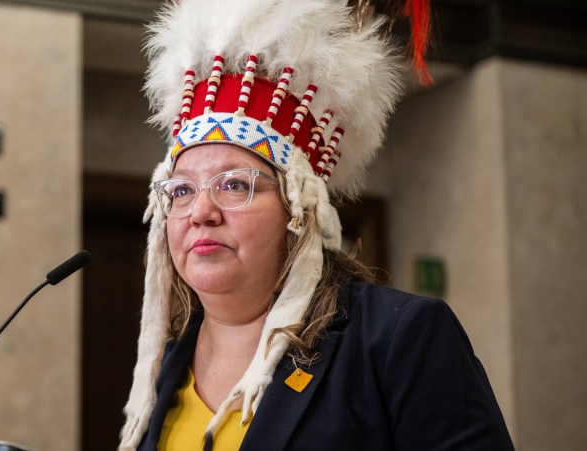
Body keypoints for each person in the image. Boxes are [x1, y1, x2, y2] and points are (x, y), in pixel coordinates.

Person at [119, 0, 515, 450]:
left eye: (234, 185)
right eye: (182, 190)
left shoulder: (397, 338)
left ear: (298, 209)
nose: (200, 211)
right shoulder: (169, 361)